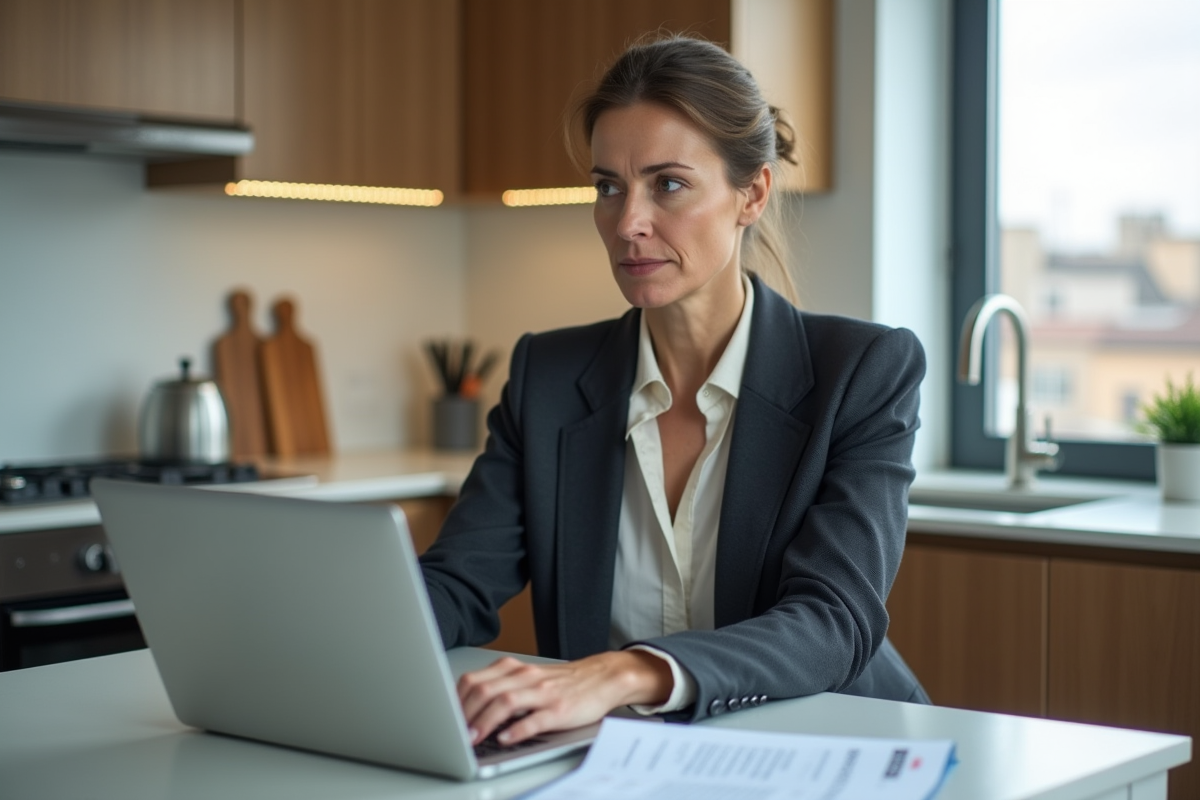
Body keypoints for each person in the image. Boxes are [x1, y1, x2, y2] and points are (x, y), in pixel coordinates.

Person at [419, 34, 929, 749]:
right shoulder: (550, 376)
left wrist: (625, 674)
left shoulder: (862, 370)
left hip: (828, 748)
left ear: (751, 194)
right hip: (620, 762)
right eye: (608, 186)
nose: (628, 223)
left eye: (667, 184)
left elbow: (832, 619)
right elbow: (459, 585)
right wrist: (338, 633)